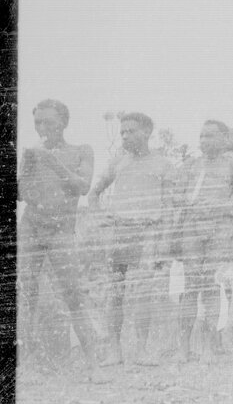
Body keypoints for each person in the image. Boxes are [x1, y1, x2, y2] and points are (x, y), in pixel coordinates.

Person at [17, 99, 103, 377]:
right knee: (24, 293)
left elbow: (82, 186)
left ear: (64, 123)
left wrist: (52, 162)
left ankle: (93, 365)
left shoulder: (81, 150)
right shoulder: (31, 153)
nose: (42, 128)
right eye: (38, 122)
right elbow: (21, 194)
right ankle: (24, 365)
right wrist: (28, 168)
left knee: (73, 293)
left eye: (48, 122)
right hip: (31, 225)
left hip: (60, 229)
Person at [88, 112, 176, 367]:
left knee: (142, 294)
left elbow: (170, 206)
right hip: (119, 232)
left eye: (130, 131)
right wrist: (98, 217)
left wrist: (165, 240)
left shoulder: (163, 164)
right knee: (115, 293)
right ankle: (115, 351)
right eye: (122, 131)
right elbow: (94, 193)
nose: (125, 135)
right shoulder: (118, 162)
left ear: (146, 132)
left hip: (148, 232)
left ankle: (142, 350)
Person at [172, 120, 233, 362]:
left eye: (211, 136)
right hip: (192, 228)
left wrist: (216, 206)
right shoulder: (190, 165)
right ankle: (183, 348)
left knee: (212, 285)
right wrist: (192, 205)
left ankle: (207, 348)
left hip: (220, 229)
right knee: (190, 286)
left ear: (224, 139)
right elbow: (177, 197)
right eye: (202, 136)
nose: (205, 141)